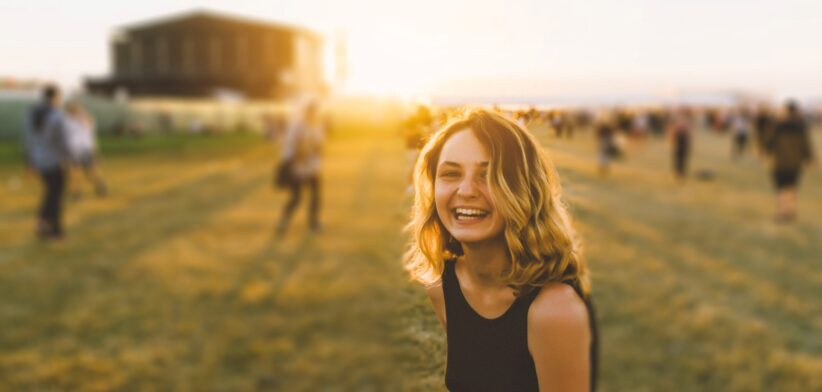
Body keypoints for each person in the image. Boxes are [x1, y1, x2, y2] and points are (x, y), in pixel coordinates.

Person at [404, 109, 597, 391]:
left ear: (523, 189)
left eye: (489, 174)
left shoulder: (555, 311)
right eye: (450, 173)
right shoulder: (442, 289)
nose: (466, 190)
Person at [22, 85, 70, 240]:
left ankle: (42, 223)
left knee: (50, 192)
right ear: (55, 97)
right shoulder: (56, 115)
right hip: (54, 160)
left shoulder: (32, 114)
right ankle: (56, 230)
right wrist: (67, 157)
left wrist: (29, 161)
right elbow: (61, 140)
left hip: (38, 160)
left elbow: (28, 140)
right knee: (56, 195)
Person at [276, 100, 325, 235]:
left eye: (314, 112)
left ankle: (313, 223)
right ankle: (283, 222)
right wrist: (304, 152)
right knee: (297, 198)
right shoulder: (298, 126)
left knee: (315, 194)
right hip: (297, 167)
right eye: (310, 112)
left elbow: (319, 147)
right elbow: (296, 147)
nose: (313, 115)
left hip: (311, 167)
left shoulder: (316, 127)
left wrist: (314, 150)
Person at [765, 100, 816, 223]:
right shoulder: (801, 126)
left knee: (782, 188)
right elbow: (806, 145)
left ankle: (783, 212)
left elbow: (769, 144)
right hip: (795, 162)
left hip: (781, 162)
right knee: (792, 186)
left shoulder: (778, 126)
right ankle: (791, 210)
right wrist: (810, 159)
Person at [64, 101, 108, 197]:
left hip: (85, 149)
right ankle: (76, 192)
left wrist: (96, 151)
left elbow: (91, 136)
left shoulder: (85, 120)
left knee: (91, 171)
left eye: (76, 109)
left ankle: (100, 186)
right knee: (73, 172)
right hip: (72, 150)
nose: (74, 111)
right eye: (71, 109)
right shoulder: (65, 121)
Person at [668, 107, 694, 181]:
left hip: (685, 138)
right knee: (677, 155)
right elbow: (672, 129)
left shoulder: (688, 119)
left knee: (684, 155)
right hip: (679, 138)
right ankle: (677, 171)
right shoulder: (676, 118)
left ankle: (682, 171)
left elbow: (690, 130)